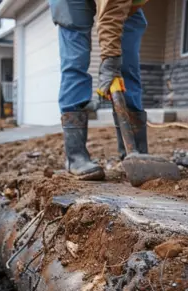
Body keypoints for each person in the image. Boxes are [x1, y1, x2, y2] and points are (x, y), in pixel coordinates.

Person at [49, 0, 149, 180]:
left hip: (122, 4)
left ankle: (135, 151)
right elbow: (111, 11)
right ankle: (76, 156)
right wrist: (110, 59)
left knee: (129, 63)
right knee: (75, 62)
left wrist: (113, 60)